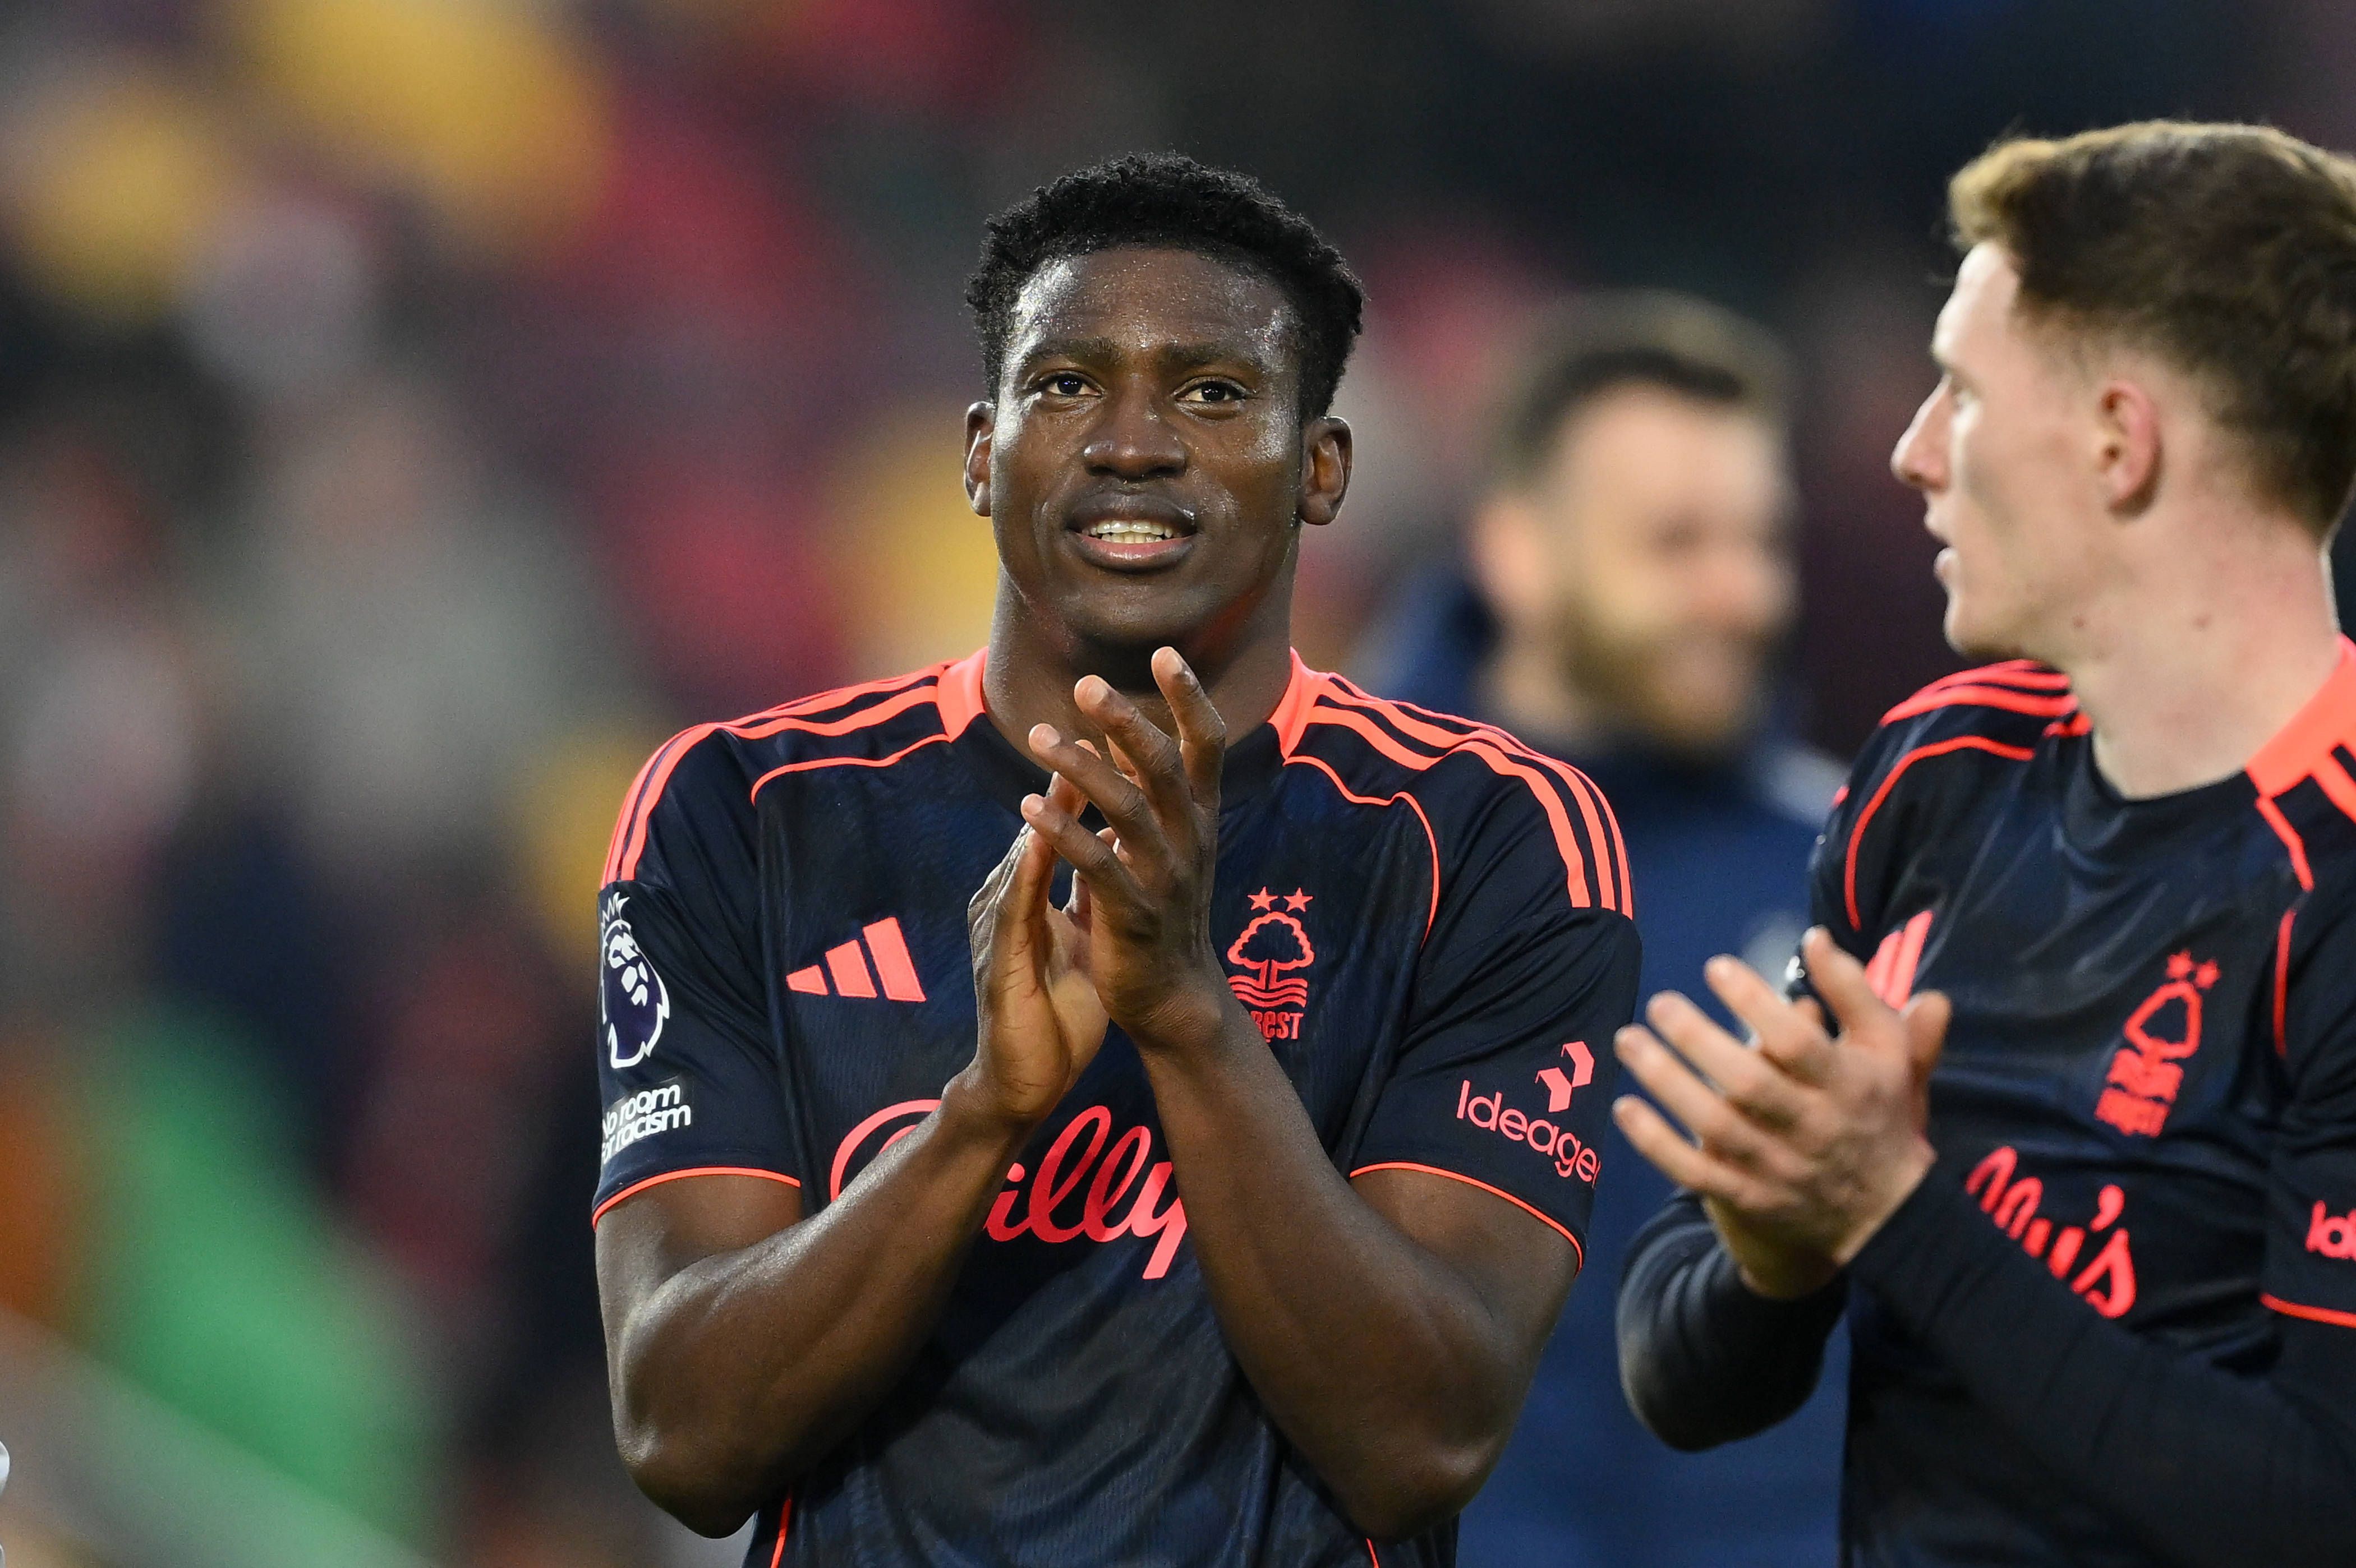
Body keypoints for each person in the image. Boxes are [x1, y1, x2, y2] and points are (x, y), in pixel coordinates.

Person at [589, 153, 1640, 1568]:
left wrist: (1188, 1017)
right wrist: (980, 1118)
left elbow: (1423, 1443)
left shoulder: (1492, 839)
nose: (1131, 441)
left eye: (1212, 393)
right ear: (979, 453)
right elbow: (685, 1439)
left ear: (1321, 468)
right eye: (1068, 383)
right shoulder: (742, 809)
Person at [1612, 121, 2356, 1567]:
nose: (1911, 453)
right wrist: (1773, 1263)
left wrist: (1895, 1214)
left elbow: (2323, 1510)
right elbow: (1678, 1372)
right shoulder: (1941, 774)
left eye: (1959, 391)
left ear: (2119, 441)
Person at [1359, 294, 1844, 1566]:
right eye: (1678, 542)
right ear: (1518, 551)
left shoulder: (1844, 865)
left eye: (1762, 541)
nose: (1742, 593)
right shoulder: (1325, 856)